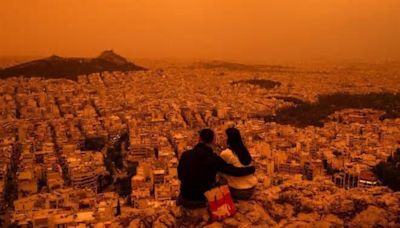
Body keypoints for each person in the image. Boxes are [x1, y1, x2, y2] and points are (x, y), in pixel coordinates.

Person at [178, 128, 255, 208]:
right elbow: (233, 171)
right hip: (203, 199)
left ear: (199, 139)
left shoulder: (185, 155)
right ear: (213, 141)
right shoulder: (214, 159)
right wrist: (251, 169)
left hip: (185, 198)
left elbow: (180, 176)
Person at [219, 127, 257, 200]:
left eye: (224, 136)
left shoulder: (226, 153)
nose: (222, 138)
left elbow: (219, 169)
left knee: (219, 175)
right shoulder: (244, 150)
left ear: (229, 139)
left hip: (239, 191)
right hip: (252, 189)